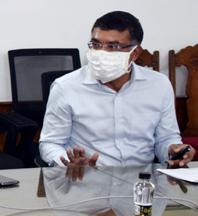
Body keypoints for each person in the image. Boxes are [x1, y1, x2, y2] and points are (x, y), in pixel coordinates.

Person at [39, 11, 195, 168]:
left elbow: (165, 139)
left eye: (113, 46)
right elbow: (50, 143)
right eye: (96, 45)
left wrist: (174, 150)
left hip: (143, 180)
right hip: (88, 180)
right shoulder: (66, 87)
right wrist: (68, 162)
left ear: (134, 53)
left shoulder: (159, 85)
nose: (102, 53)